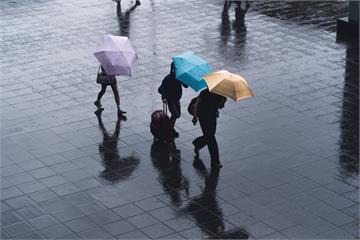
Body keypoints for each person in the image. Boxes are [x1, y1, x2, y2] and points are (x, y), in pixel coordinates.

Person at [192, 89, 227, 169]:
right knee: (211, 137)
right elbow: (197, 104)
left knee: (209, 136)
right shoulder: (205, 92)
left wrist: (221, 101)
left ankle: (197, 143)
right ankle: (215, 161)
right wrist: (195, 116)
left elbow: (220, 105)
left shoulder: (220, 93)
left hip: (212, 116)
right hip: (203, 117)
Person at [158, 62, 188, 138]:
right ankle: (169, 129)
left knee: (177, 115)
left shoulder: (179, 78)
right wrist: (164, 97)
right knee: (175, 114)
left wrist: (184, 78)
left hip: (176, 99)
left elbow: (186, 85)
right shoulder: (168, 78)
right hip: (170, 99)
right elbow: (160, 89)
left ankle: (170, 127)